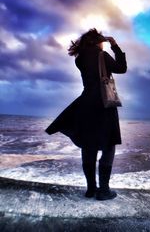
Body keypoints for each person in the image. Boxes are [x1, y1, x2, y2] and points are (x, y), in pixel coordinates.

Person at [45, 28, 127, 200]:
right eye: (102, 43)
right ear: (98, 42)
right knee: (108, 145)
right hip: (104, 104)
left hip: (86, 104)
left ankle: (91, 189)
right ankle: (104, 191)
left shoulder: (80, 59)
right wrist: (115, 46)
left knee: (89, 146)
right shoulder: (101, 56)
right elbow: (122, 68)